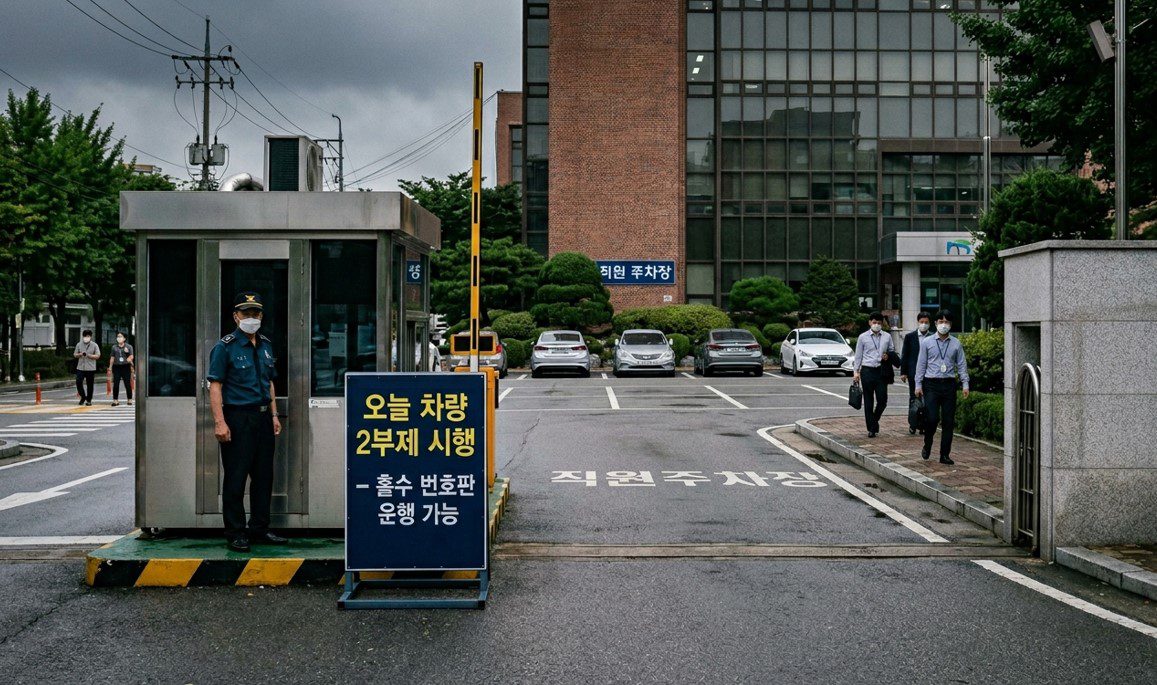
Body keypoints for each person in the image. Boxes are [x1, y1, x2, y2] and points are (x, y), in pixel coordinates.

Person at [207, 292, 286, 553]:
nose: (251, 318)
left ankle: (259, 528)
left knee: (264, 476)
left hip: (263, 417)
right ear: (235, 316)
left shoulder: (265, 344)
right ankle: (236, 533)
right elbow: (215, 386)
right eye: (246, 313)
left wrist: (274, 415)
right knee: (236, 476)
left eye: (255, 313)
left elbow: (269, 382)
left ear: (261, 316)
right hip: (238, 418)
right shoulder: (224, 347)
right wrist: (220, 422)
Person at [915, 309, 970, 465]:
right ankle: (928, 443)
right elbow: (921, 364)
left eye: (946, 322)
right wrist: (918, 384)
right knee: (932, 418)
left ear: (951, 324)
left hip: (949, 384)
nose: (943, 325)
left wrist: (965, 383)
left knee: (948, 421)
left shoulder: (956, 343)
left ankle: (944, 454)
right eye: (941, 322)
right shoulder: (927, 342)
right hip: (931, 383)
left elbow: (961, 365)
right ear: (936, 323)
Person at [853, 311, 897, 438]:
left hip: (881, 370)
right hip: (867, 370)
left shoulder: (887, 336)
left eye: (879, 323)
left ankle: (874, 420)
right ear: (869, 323)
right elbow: (858, 356)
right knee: (868, 400)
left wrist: (887, 356)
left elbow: (892, 351)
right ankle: (871, 428)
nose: (876, 325)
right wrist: (856, 372)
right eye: (874, 322)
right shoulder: (863, 337)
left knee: (882, 400)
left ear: (882, 324)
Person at [899, 311, 933, 434]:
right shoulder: (910, 337)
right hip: (913, 373)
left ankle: (923, 425)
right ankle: (913, 423)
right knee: (914, 398)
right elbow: (905, 355)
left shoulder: (933, 337)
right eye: (922, 322)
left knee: (927, 400)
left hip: (929, 373)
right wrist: (903, 372)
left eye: (926, 322)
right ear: (918, 322)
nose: (924, 324)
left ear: (930, 323)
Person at [73, 329, 100, 406]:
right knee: (78, 382)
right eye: (85, 336)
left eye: (88, 336)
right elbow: (75, 354)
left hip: (90, 368)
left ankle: (89, 400)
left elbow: (98, 355)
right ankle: (83, 396)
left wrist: (89, 355)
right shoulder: (79, 344)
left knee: (90, 385)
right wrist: (80, 354)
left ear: (90, 337)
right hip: (80, 367)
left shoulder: (94, 345)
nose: (86, 337)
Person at [109, 331, 134, 406]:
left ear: (124, 338)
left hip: (125, 366)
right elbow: (112, 357)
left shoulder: (129, 347)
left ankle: (129, 399)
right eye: (118, 337)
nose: (119, 338)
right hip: (116, 367)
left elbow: (131, 357)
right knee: (116, 383)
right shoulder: (114, 347)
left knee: (127, 384)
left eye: (120, 337)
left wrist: (127, 354)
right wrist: (110, 367)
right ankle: (115, 400)